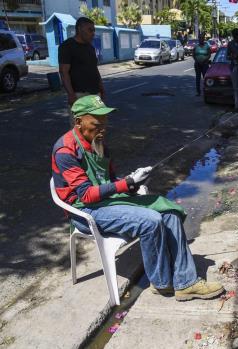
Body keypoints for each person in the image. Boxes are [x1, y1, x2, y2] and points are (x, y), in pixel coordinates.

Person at [51, 95, 225, 301]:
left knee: (168, 212)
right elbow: (87, 194)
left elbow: (110, 180)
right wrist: (126, 183)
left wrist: (133, 183)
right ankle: (161, 283)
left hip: (105, 203)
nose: (103, 128)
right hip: (84, 210)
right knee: (150, 220)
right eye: (97, 124)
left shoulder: (99, 144)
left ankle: (186, 282)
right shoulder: (66, 151)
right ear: (79, 122)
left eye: (105, 123)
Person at [59, 17, 105, 122]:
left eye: (94, 30)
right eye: (90, 30)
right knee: (79, 128)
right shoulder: (67, 46)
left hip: (95, 94)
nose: (93, 33)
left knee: (96, 125)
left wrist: (101, 88)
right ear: (79, 29)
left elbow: (94, 69)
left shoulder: (90, 47)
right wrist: (71, 94)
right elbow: (63, 71)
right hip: (79, 95)